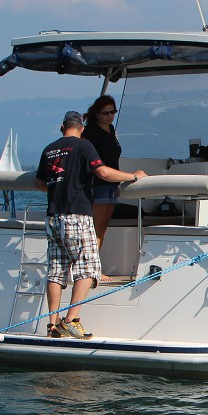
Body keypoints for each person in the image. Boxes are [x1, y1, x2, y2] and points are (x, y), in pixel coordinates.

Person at [34, 111, 147, 339]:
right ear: (81, 127)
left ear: (61, 127)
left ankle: (53, 325)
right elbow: (103, 172)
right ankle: (71, 320)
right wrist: (133, 177)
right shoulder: (84, 147)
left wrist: (61, 188)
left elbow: (39, 183)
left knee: (56, 271)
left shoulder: (49, 149)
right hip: (77, 215)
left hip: (53, 216)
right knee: (88, 267)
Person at [82, 95, 123, 262]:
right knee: (95, 229)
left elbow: (113, 158)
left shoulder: (111, 129)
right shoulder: (91, 132)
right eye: (106, 113)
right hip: (97, 184)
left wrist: (117, 182)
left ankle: (93, 265)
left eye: (112, 112)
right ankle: (91, 267)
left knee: (102, 229)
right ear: (97, 114)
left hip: (111, 184)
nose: (109, 116)